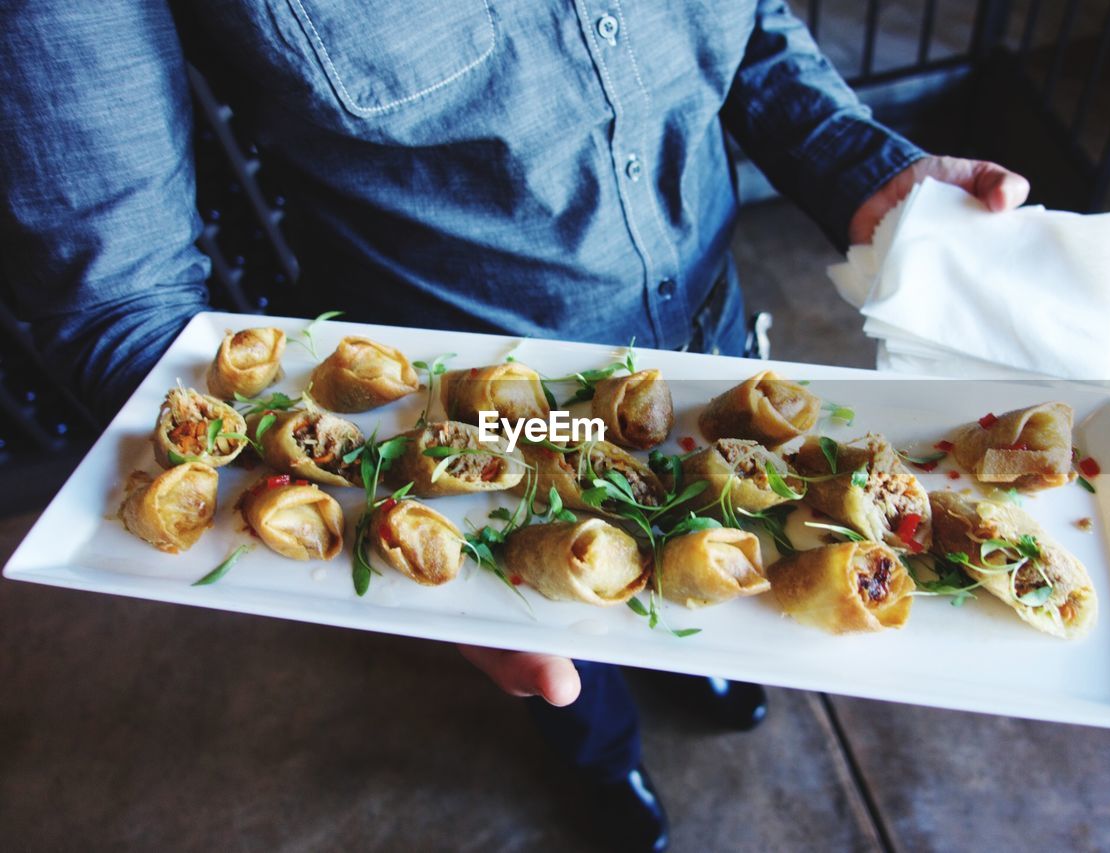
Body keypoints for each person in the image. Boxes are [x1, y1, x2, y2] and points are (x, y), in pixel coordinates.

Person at [0, 2, 1028, 850]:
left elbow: (746, 24)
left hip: (717, 338)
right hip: (482, 446)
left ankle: (698, 657)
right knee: (560, 653)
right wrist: (339, 500)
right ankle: (598, 752)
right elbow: (112, 296)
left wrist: (856, 163)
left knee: (720, 566)